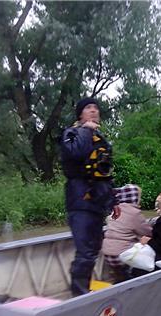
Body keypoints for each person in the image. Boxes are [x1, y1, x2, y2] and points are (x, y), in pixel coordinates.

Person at [59, 97, 121, 296]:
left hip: (97, 202)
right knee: (85, 251)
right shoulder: (72, 134)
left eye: (96, 108)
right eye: (88, 108)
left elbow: (105, 174)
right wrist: (86, 130)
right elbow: (76, 152)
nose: (94, 111)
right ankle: (78, 293)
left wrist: (114, 201)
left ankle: (82, 288)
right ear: (80, 114)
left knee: (93, 249)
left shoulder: (101, 141)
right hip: (79, 201)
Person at [101, 184, 152, 283]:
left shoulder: (115, 210)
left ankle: (119, 276)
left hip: (107, 253)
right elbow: (146, 231)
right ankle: (135, 278)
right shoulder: (134, 213)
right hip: (121, 255)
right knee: (144, 245)